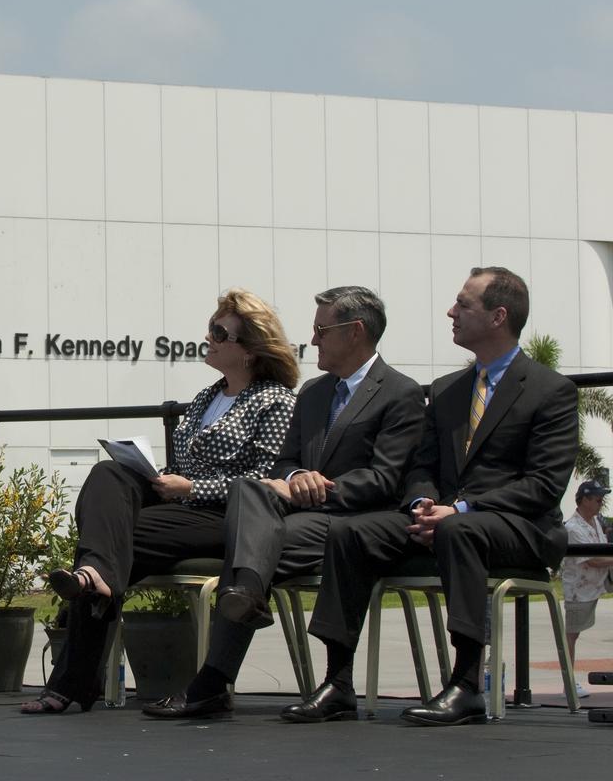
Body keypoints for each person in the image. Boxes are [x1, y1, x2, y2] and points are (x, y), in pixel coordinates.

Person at [282, 266, 578, 726]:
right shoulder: (446, 391)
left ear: (499, 316)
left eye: (463, 304)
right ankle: (337, 682)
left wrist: (459, 508)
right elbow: (421, 466)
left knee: (460, 530)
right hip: (442, 517)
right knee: (350, 531)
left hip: (519, 525)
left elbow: (543, 485)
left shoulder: (550, 390)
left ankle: (466, 684)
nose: (450, 312)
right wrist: (420, 504)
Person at [144, 286, 424, 719]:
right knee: (249, 492)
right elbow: (285, 461)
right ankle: (243, 604)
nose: (313, 340)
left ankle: (214, 679)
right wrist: (292, 477)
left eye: (321, 330)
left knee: (251, 553)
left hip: (355, 519)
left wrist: (317, 487)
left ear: (355, 332)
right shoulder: (312, 393)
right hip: (295, 517)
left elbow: (384, 478)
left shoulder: (400, 393)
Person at [21, 288, 299, 714]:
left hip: (224, 519)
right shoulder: (208, 397)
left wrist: (192, 489)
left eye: (220, 332)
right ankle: (95, 576)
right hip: (177, 511)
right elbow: (188, 463)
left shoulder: (274, 402)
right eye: (211, 328)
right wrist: (158, 476)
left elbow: (265, 484)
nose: (209, 337)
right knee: (108, 474)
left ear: (249, 350)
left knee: (111, 542)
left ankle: (74, 676)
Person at [562, 479, 613, 699]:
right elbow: (592, 559)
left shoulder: (594, 522)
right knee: (571, 636)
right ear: (584, 499)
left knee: (574, 635)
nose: (601, 502)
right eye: (597, 498)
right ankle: (568, 682)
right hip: (579, 590)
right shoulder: (573, 527)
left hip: (596, 586)